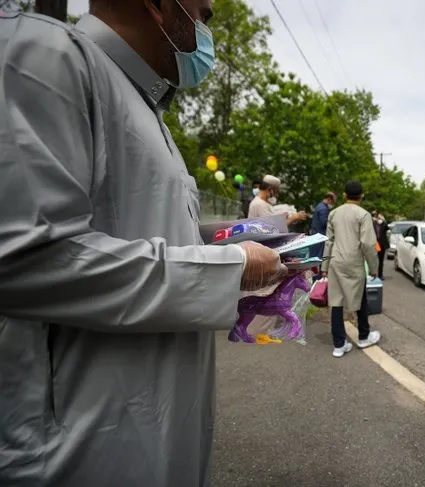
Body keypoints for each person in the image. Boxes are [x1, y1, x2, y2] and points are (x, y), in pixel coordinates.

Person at [0, 3, 288, 487]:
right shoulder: (43, 54)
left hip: (159, 431)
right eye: (201, 11)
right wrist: (228, 269)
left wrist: (241, 240)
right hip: (82, 450)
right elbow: (26, 258)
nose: (208, 16)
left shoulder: (147, 110)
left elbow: (144, 234)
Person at [321, 181, 382, 358]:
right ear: (362, 196)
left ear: (345, 195)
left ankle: (339, 345)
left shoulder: (334, 213)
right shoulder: (363, 215)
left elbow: (328, 241)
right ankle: (364, 336)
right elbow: (368, 244)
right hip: (354, 263)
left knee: (336, 304)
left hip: (335, 262)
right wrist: (374, 267)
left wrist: (324, 266)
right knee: (360, 299)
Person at [310, 192, 337, 259]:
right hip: (320, 236)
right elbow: (324, 223)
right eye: (332, 202)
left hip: (315, 234)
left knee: (313, 256)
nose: (332, 204)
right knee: (318, 257)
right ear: (329, 199)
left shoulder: (319, 206)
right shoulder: (323, 209)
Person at [372, 212, 390, 280]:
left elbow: (387, 228)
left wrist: (384, 220)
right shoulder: (373, 224)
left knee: (381, 260)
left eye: (380, 218)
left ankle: (380, 274)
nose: (379, 219)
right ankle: (372, 274)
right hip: (374, 244)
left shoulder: (384, 224)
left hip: (382, 244)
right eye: (378, 217)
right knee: (373, 260)